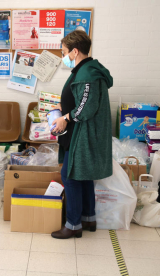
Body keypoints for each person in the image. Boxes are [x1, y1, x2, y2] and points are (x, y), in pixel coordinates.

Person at [50, 30, 113, 239]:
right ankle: (88, 218)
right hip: (79, 131)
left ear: (75, 51)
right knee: (84, 176)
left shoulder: (87, 75)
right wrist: (63, 106)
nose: (63, 57)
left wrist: (65, 117)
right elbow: (82, 101)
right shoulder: (86, 70)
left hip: (82, 134)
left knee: (70, 176)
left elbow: (85, 109)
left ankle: (73, 225)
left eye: (64, 52)